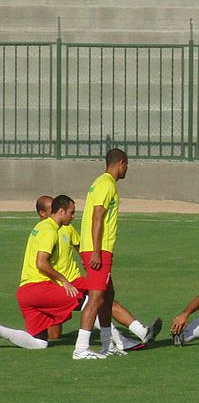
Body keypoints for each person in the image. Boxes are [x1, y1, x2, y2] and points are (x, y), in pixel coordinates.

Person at [34, 195, 161, 350]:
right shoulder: (44, 231)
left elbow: (80, 246)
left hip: (74, 279)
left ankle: (138, 333)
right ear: (43, 213)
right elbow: (41, 262)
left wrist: (88, 262)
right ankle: (121, 339)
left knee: (103, 297)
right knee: (55, 333)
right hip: (58, 284)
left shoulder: (66, 228)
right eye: (50, 208)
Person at [0, 195, 82, 350]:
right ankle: (104, 342)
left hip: (26, 292)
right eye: (71, 212)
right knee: (87, 302)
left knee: (39, 343)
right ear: (61, 211)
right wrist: (64, 280)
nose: (73, 216)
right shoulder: (49, 230)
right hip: (37, 288)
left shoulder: (40, 227)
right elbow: (41, 263)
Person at [73, 148, 129, 359]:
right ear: (121, 163)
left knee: (107, 296)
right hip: (99, 250)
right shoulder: (106, 184)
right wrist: (96, 251)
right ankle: (80, 348)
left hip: (99, 249)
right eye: (126, 166)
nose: (126, 170)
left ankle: (107, 344)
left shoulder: (101, 183)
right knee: (96, 298)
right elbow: (98, 217)